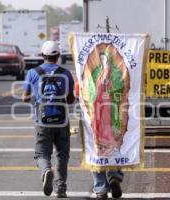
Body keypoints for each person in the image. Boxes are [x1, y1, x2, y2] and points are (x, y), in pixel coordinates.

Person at [22, 40, 75, 198]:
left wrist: (36, 97)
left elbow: (25, 97)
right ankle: (61, 189)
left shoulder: (32, 73)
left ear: (42, 55)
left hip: (42, 121)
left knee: (41, 154)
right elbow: (71, 99)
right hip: (62, 121)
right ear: (58, 55)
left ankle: (46, 171)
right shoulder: (65, 73)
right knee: (62, 155)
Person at [74, 78, 123, 199]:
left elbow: (76, 95)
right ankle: (114, 174)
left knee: (94, 152)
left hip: (92, 121)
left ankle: (101, 188)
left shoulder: (84, 75)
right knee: (114, 148)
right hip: (112, 119)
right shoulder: (116, 75)